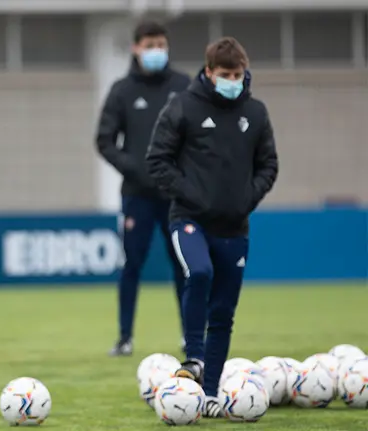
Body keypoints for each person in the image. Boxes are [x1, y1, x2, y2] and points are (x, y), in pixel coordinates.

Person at [145, 36, 278, 418]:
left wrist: (245, 200)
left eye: (238, 74)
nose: (232, 80)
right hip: (189, 219)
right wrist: (191, 196)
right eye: (225, 75)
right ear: (209, 72)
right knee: (198, 272)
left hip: (235, 227)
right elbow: (158, 160)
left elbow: (269, 165)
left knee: (223, 311)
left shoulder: (256, 112)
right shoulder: (183, 106)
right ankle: (195, 356)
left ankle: (209, 393)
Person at [95, 20, 190, 357]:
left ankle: (190, 335)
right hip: (136, 196)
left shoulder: (184, 86)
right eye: (149, 45)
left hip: (177, 197)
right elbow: (104, 141)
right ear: (136, 48)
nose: (155, 51)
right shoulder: (122, 90)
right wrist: (136, 168)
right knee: (131, 265)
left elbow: (199, 137)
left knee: (184, 264)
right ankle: (124, 338)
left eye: (160, 45)